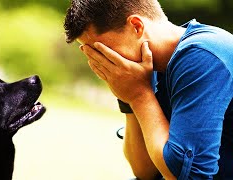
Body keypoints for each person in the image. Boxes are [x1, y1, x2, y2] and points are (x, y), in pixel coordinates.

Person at [63, 0, 233, 179]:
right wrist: (129, 97)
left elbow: (190, 177)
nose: (103, 62)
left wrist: (139, 96)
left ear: (136, 26)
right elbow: (144, 172)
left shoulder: (202, 55)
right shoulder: (144, 68)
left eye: (103, 51)